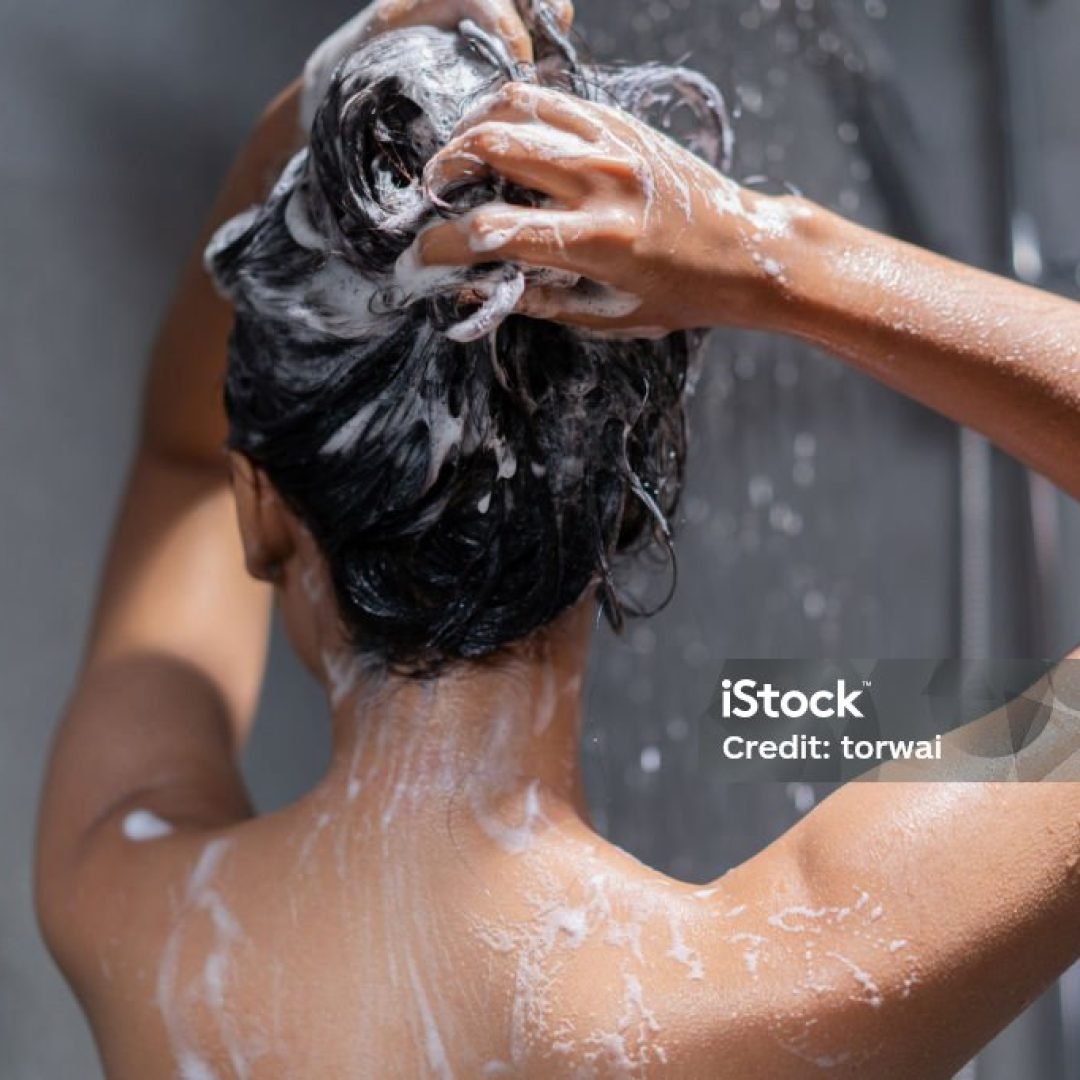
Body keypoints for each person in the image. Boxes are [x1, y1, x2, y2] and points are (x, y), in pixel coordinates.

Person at [35, 1, 1080, 1077]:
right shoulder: (768, 991)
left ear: (263, 511)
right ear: (628, 498)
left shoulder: (129, 906)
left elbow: (182, 455)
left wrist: (305, 124)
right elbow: (198, 455)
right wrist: (770, 252)